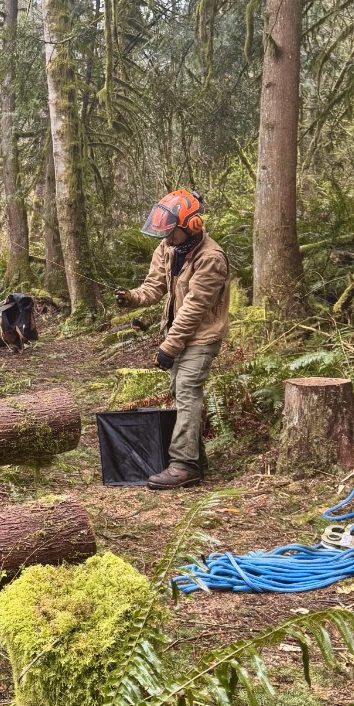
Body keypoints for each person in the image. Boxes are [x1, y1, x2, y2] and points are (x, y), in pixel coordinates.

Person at [114, 190, 230, 489]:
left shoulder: (211, 258)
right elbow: (153, 287)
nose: (166, 237)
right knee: (180, 392)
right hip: (178, 336)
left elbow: (193, 309)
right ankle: (196, 458)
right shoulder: (167, 249)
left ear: (190, 226)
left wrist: (168, 347)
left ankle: (183, 466)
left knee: (187, 391)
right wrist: (130, 298)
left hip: (201, 337)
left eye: (171, 231)